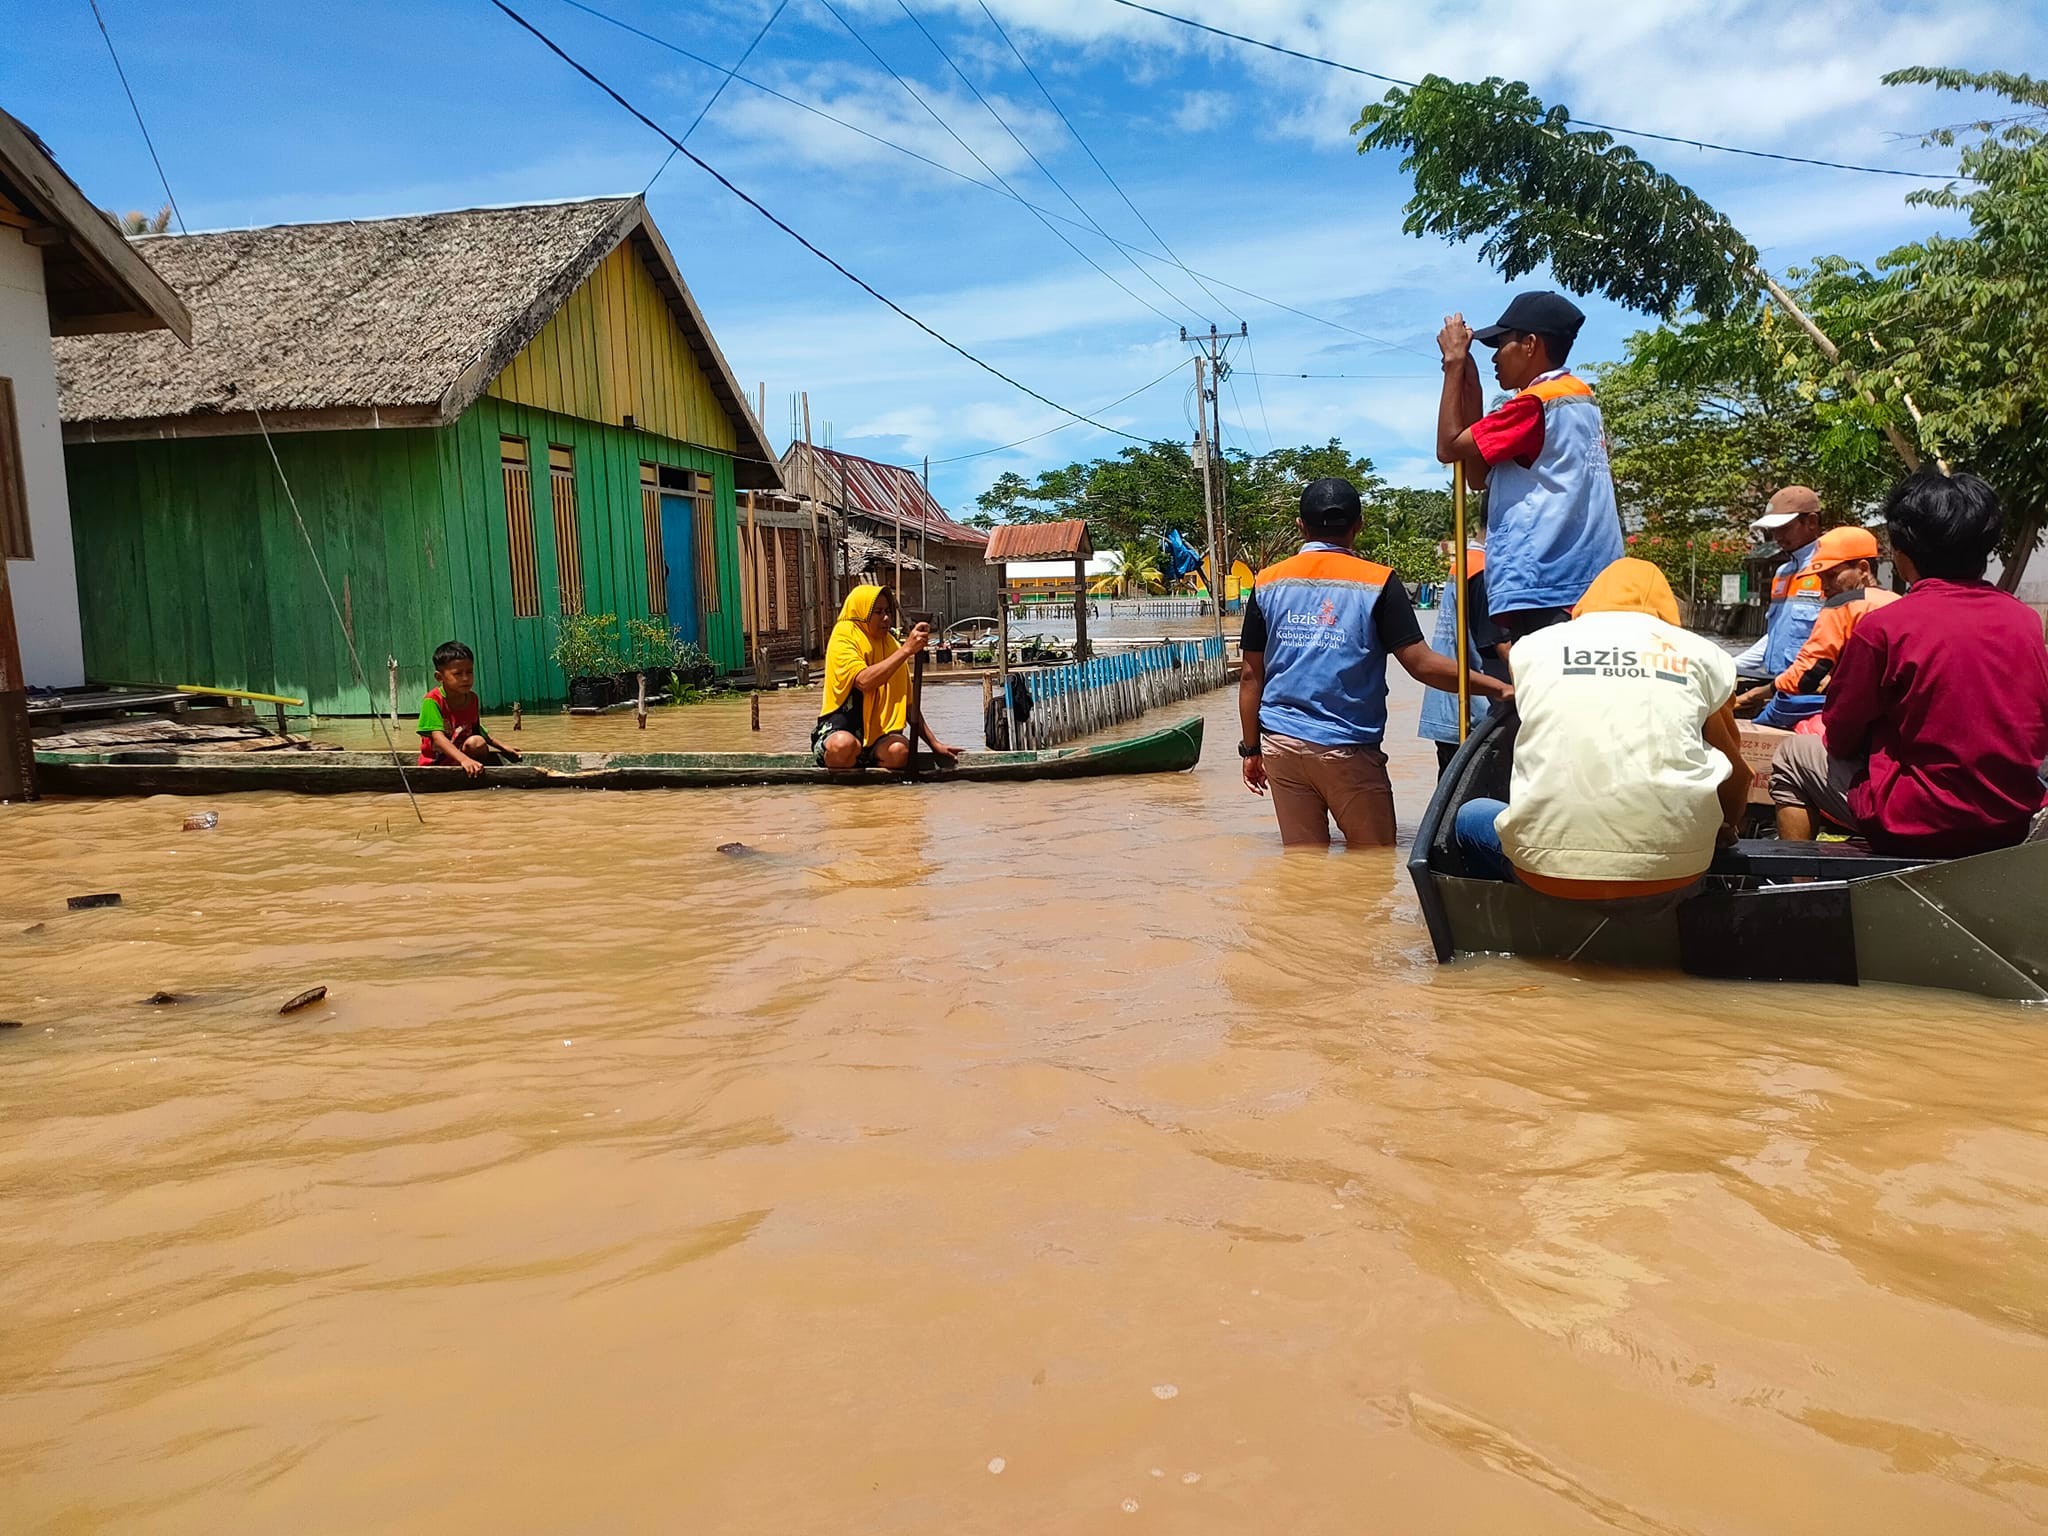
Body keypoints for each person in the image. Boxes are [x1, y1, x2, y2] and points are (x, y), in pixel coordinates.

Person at [1770, 470, 2048, 856]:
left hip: (1914, 820)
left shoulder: (1884, 626)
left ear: (1901, 556)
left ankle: (1795, 888)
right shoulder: (2025, 622)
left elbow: (1842, 733)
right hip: (2009, 820)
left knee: (1792, 755)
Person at [1453, 559, 1751, 901]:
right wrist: (1725, 829)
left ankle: (1506, 917)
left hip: (1544, 873)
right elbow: (1736, 777)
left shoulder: (1531, 649)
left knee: (1468, 815)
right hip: (1674, 873)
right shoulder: (1705, 655)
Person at [1239, 477, 1512, 848]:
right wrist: (1498, 687)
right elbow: (1421, 665)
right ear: (1360, 525)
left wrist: (1251, 750)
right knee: (1375, 863)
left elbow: (1251, 676)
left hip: (1281, 747)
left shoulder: (1267, 582)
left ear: (1301, 526)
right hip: (1347, 748)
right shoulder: (1378, 581)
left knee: (1303, 865)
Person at [1435, 291, 1625, 642]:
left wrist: (1452, 366)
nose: (1494, 357)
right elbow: (1477, 476)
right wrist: (1471, 386)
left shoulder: (1535, 404)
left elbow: (1448, 448)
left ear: (1530, 345)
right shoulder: (1576, 395)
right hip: (1582, 580)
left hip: (1549, 583)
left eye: (1502, 344)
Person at [1735, 525, 1898, 715]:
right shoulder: (1897, 601)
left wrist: (1753, 695)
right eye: (1820, 578)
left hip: (1854, 714)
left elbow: (1807, 674)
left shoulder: (1842, 605)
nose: (1824, 587)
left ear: (1863, 569)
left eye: (1831, 576)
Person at [814, 585, 961, 771]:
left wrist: (934, 743)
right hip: (841, 730)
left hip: (879, 737)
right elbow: (864, 681)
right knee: (844, 746)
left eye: (887, 612)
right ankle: (846, 794)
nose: (886, 618)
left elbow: (907, 702)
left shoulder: (890, 643)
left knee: (899, 752)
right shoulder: (844, 635)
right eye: (878, 612)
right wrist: (906, 650)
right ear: (862, 612)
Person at [1730, 486, 1827, 726]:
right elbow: (1775, 635)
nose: (1778, 536)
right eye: (1774, 530)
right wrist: (1728, 665)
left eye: (1785, 528)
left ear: (1811, 522)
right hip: (1778, 686)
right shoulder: (1783, 572)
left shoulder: (1830, 570)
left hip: (1810, 692)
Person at [1417, 535, 1510, 776]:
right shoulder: (1486, 572)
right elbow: (1504, 648)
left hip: (1454, 709)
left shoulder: (1468, 562)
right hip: (1480, 717)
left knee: (1452, 801)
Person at [418, 640, 520, 777]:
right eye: (458, 674)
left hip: (463, 758)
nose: (466, 678)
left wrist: (502, 747)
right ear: (439, 677)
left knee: (477, 742)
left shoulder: (472, 699)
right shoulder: (433, 700)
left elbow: (478, 729)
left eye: (469, 672)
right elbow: (438, 738)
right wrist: (464, 760)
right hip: (436, 763)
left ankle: (475, 770)